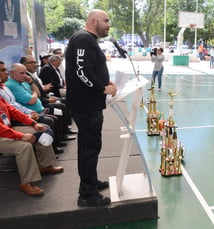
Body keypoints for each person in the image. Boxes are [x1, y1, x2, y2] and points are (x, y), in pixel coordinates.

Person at [65, 9, 117, 207]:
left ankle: (90, 183)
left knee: (90, 146)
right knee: (89, 148)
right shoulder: (84, 39)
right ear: (93, 22)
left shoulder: (86, 40)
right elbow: (81, 71)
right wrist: (102, 87)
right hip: (86, 105)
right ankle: (87, 194)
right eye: (105, 21)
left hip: (88, 104)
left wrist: (105, 80)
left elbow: (88, 68)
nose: (108, 24)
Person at [0, 82, 63, 196]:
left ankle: (45, 166)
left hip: (7, 129)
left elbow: (12, 110)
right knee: (24, 146)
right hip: (3, 133)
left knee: (42, 130)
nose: (3, 74)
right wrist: (21, 136)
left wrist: (33, 123)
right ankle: (26, 182)